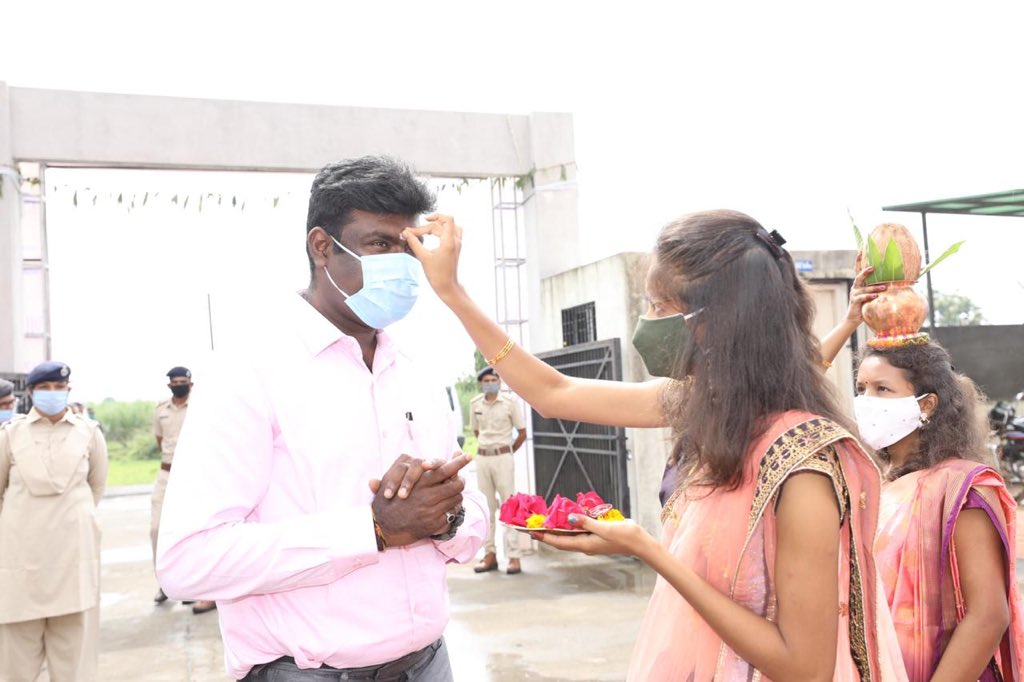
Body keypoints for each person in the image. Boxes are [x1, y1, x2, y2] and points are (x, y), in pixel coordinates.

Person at [404, 209, 907, 680]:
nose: (647, 320)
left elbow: (805, 667)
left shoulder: (805, 469)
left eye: (658, 305)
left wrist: (646, 548)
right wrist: (453, 293)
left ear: (716, 322)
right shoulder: (707, 405)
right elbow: (553, 393)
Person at [156, 156, 487, 681]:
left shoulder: (416, 370)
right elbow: (188, 562)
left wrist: (445, 517)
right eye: (380, 243)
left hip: (429, 665)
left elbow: (472, 518)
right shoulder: (250, 369)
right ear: (322, 246)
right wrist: (373, 528)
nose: (400, 263)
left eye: (408, 247)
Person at [821, 267, 1024, 681]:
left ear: (926, 405)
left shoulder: (961, 489)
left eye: (883, 389)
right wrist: (848, 323)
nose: (866, 401)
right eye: (861, 389)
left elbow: (987, 615)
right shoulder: (873, 481)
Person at [0, 361, 108, 682]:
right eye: (44, 388)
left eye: (58, 388)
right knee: (15, 662)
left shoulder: (89, 433)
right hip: (20, 563)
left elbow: (96, 488)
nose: (52, 394)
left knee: (74, 661)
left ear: (68, 390)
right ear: (31, 392)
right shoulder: (9, 434)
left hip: (72, 560)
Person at [151, 366, 216, 614]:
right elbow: (160, 440)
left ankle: (206, 591)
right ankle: (165, 584)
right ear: (169, 385)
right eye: (175, 381)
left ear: (191, 383)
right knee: (156, 529)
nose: (179, 384)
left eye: (183, 381)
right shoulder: (161, 411)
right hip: (167, 473)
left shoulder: (203, 405)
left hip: (198, 475)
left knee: (202, 532)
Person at [470, 366, 527, 575]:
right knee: (486, 508)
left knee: (509, 506)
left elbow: (522, 432)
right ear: (481, 383)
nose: (489, 383)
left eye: (492, 380)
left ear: (499, 382)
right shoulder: (475, 404)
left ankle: (514, 556)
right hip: (483, 458)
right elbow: (476, 431)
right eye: (485, 381)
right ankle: (489, 554)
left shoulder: (510, 404)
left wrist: (508, 450)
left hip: (503, 458)